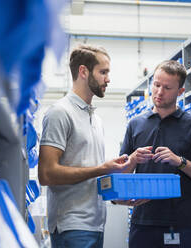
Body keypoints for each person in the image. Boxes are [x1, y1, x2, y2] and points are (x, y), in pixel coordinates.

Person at [38, 44, 133, 248]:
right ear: (83, 71)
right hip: (72, 227)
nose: (108, 79)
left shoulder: (95, 119)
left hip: (95, 224)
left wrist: (118, 197)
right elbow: (46, 174)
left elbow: (91, 176)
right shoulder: (60, 113)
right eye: (103, 72)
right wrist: (103, 168)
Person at [119, 60, 191, 248]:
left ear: (180, 91)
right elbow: (120, 175)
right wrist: (132, 159)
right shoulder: (135, 125)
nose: (160, 92)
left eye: (167, 88)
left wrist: (180, 161)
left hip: (181, 224)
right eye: (156, 85)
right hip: (143, 224)